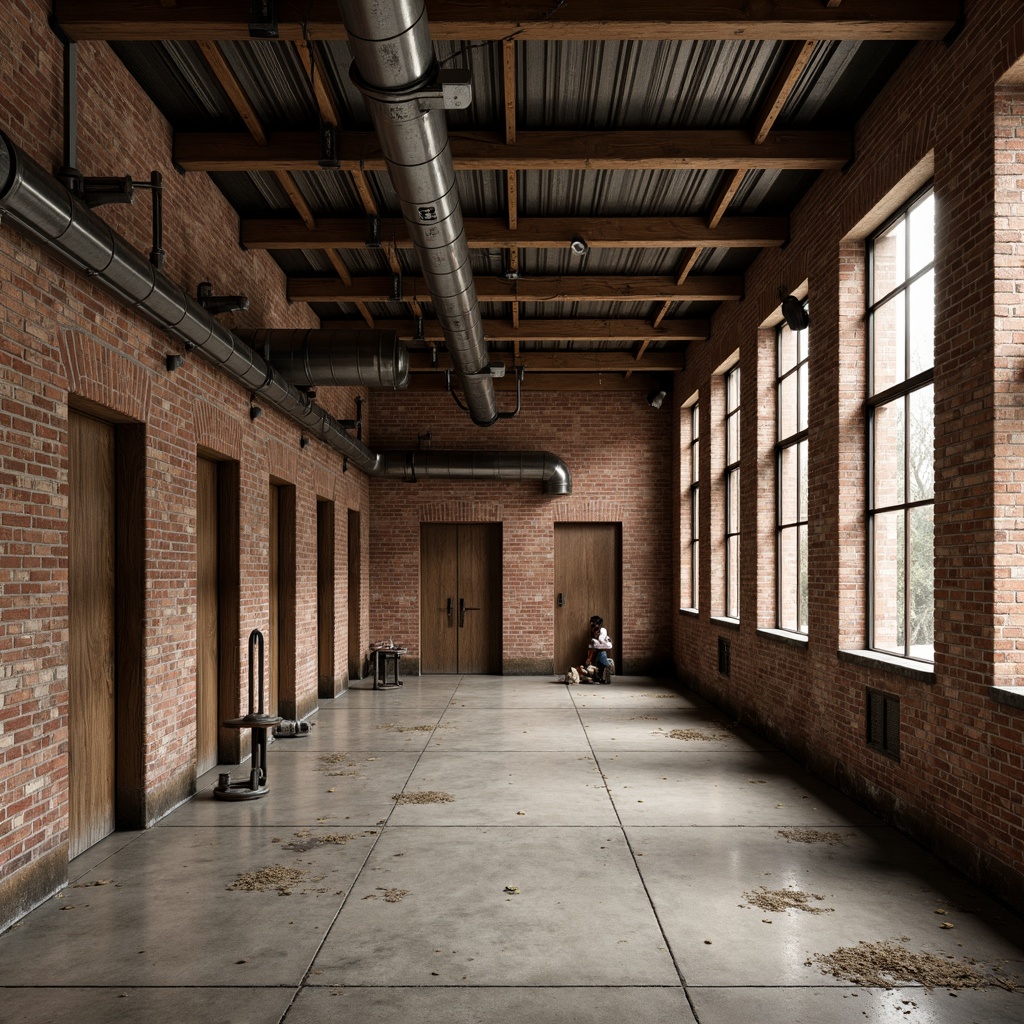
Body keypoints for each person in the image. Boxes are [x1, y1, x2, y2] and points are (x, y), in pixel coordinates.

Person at [579, 615, 613, 683]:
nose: (592, 625)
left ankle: (605, 666)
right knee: (596, 659)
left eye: (593, 623)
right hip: (596, 649)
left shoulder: (602, 630)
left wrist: (602, 642)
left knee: (601, 656)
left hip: (602, 647)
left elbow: (604, 641)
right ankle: (600, 674)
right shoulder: (593, 631)